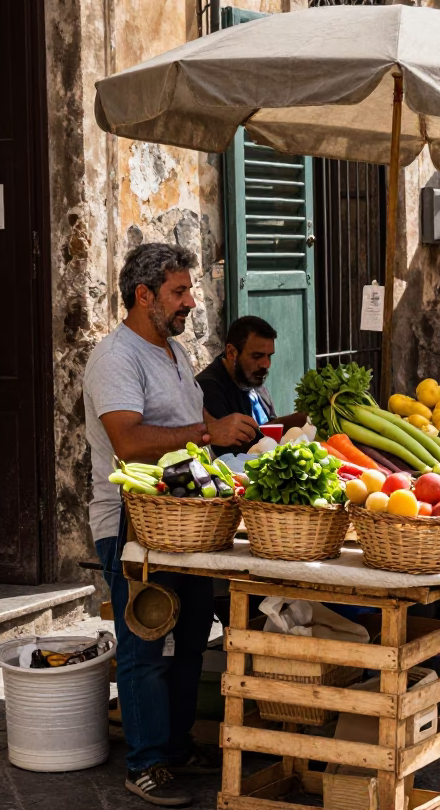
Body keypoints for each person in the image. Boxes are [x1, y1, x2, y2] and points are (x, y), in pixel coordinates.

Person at [84, 242, 259, 807]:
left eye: (188, 291)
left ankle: (177, 744)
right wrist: (207, 434)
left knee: (188, 643)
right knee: (143, 646)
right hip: (131, 525)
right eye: (179, 292)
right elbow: (129, 440)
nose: (190, 302)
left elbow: (193, 422)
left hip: (184, 524)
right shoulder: (117, 358)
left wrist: (227, 429)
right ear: (143, 296)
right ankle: (145, 763)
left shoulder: (174, 354)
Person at [198, 315, 307, 456]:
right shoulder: (209, 388)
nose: (266, 364)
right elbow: (230, 451)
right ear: (231, 352)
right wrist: (291, 421)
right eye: (257, 356)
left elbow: (270, 428)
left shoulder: (252, 376)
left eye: (269, 356)